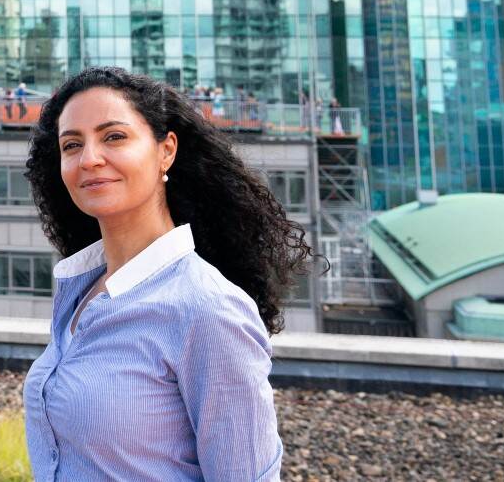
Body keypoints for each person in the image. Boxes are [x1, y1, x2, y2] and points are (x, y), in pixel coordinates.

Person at [23, 66, 311, 480]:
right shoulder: (82, 290)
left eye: (114, 137)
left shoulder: (208, 309)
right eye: (72, 145)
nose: (89, 159)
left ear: (166, 150)